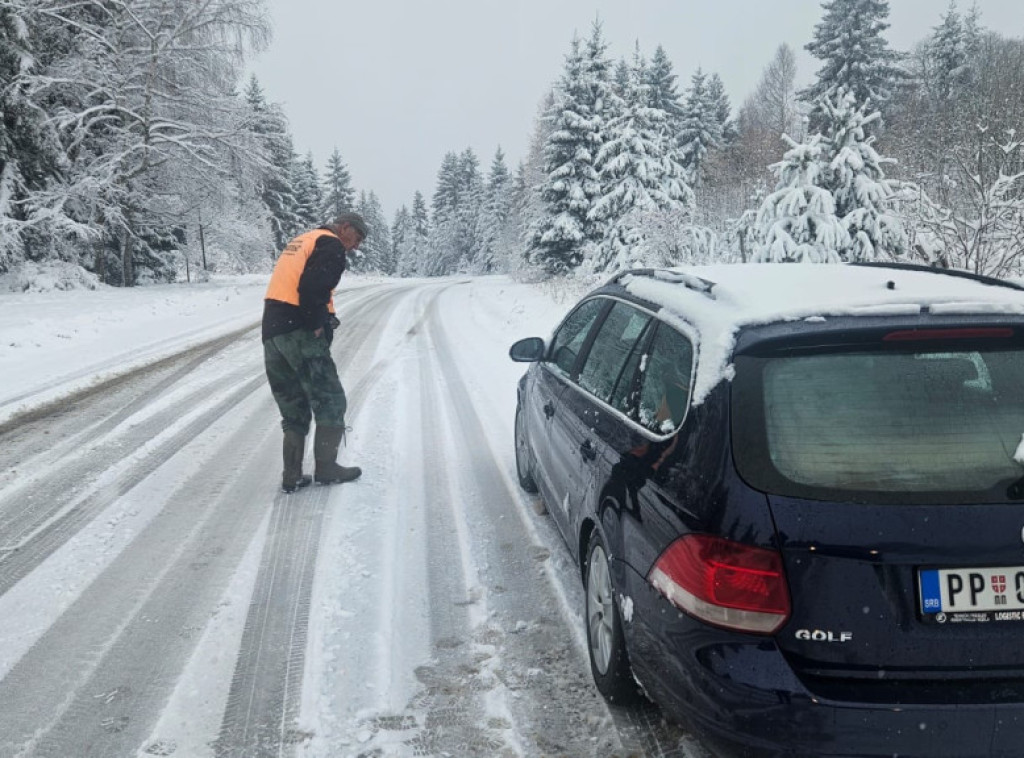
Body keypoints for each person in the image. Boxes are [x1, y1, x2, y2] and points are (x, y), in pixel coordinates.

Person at [262, 212, 367, 493]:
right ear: (344, 227)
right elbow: (311, 288)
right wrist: (316, 324)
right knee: (330, 399)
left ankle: (292, 475)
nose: (355, 246)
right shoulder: (330, 244)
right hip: (299, 330)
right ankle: (326, 468)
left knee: (293, 405)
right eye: (356, 238)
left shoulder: (303, 240)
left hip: (272, 331)